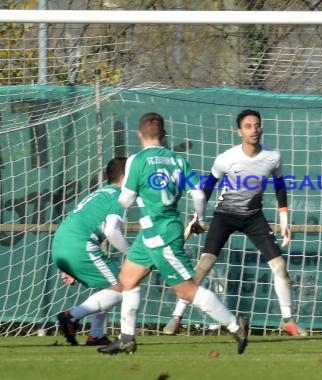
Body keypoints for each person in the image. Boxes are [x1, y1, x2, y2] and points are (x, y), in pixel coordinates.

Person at [98, 112, 248, 355]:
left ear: (139, 135)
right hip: (155, 233)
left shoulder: (136, 160)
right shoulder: (178, 160)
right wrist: (199, 219)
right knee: (127, 280)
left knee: (186, 290)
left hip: (160, 235)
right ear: (164, 135)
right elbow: (198, 194)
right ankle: (126, 338)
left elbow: (125, 200)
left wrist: (126, 198)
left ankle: (235, 326)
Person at [163, 109, 307, 337]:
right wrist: (195, 218)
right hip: (224, 215)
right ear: (239, 132)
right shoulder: (226, 159)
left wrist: (284, 220)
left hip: (254, 217)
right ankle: (176, 317)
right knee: (203, 267)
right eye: (248, 126)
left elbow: (280, 186)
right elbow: (207, 187)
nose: (254, 130)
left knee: (280, 267)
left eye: (257, 125)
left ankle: (288, 321)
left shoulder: (273, 157)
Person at [53, 157, 130, 346]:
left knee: (108, 285)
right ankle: (72, 316)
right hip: (80, 246)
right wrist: (133, 253)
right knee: (125, 286)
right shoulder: (119, 197)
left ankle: (96, 334)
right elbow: (111, 231)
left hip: (61, 244)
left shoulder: (101, 193)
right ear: (124, 176)